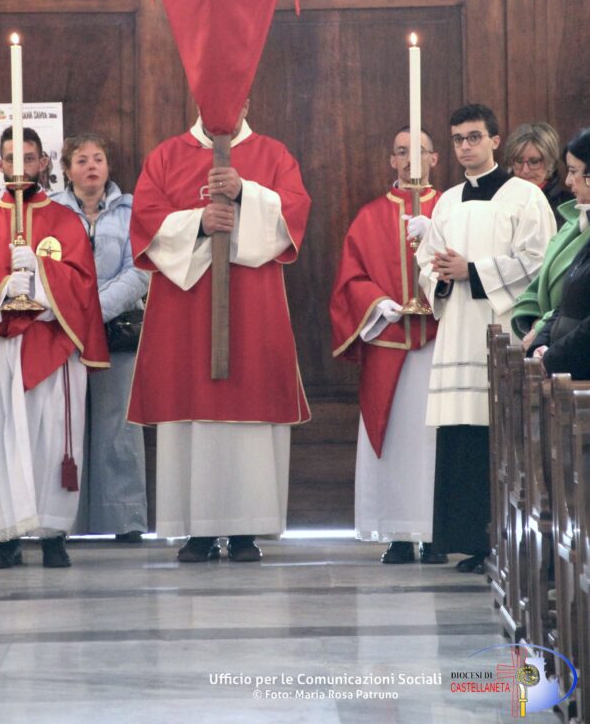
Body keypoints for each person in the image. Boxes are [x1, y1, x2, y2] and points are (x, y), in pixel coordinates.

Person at [127, 99, 311, 563]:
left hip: (253, 306)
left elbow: (293, 214)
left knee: (251, 406)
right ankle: (197, 531)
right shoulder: (167, 156)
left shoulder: (272, 154)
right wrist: (200, 223)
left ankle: (247, 530)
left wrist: (246, 192)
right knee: (190, 412)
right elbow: (145, 219)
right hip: (185, 310)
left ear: (247, 101)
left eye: (235, 98)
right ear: (197, 100)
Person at [0, 126, 109, 569]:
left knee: (53, 442)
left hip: (51, 345)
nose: (21, 166)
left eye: (30, 157)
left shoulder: (65, 223)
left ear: (43, 163)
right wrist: (2, 289)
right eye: (11, 158)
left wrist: (41, 273)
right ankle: (6, 537)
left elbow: (84, 286)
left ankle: (54, 534)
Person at [416, 104, 556, 573]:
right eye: (458, 139)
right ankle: (471, 541)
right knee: (462, 436)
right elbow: (427, 261)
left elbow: (538, 263)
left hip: (501, 333)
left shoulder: (525, 197)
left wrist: (473, 271)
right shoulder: (448, 201)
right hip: (457, 333)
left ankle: (506, 543)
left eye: (474, 137)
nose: (465, 147)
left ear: (495, 141)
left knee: (500, 436)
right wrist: (438, 275)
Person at [330, 129, 447, 565]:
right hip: (389, 343)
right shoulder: (369, 217)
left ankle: (438, 533)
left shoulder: (450, 210)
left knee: (436, 440)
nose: (409, 160)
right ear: (392, 161)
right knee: (395, 438)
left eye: (418, 151)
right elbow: (350, 280)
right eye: (401, 152)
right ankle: (398, 534)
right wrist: (379, 304)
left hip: (439, 342)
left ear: (434, 159)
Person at [52, 133, 149, 542]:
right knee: (64, 427)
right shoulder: (50, 212)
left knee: (119, 427)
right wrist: (74, 314)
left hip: (116, 331)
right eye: (81, 160)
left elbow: (141, 270)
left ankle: (125, 520)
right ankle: (62, 521)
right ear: (66, 170)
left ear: (108, 166)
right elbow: (45, 268)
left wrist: (93, 309)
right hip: (63, 332)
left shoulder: (131, 210)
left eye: (98, 159)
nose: (91, 166)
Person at [512, 126, 590, 350]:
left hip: (571, 346)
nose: (568, 181)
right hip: (550, 339)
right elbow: (540, 282)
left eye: (534, 161)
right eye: (519, 161)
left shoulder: (565, 209)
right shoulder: (574, 221)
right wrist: (533, 322)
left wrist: (543, 328)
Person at [504, 121, 572, 228]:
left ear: (550, 162)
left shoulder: (569, 208)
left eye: (534, 161)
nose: (525, 170)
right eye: (519, 161)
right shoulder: (500, 200)